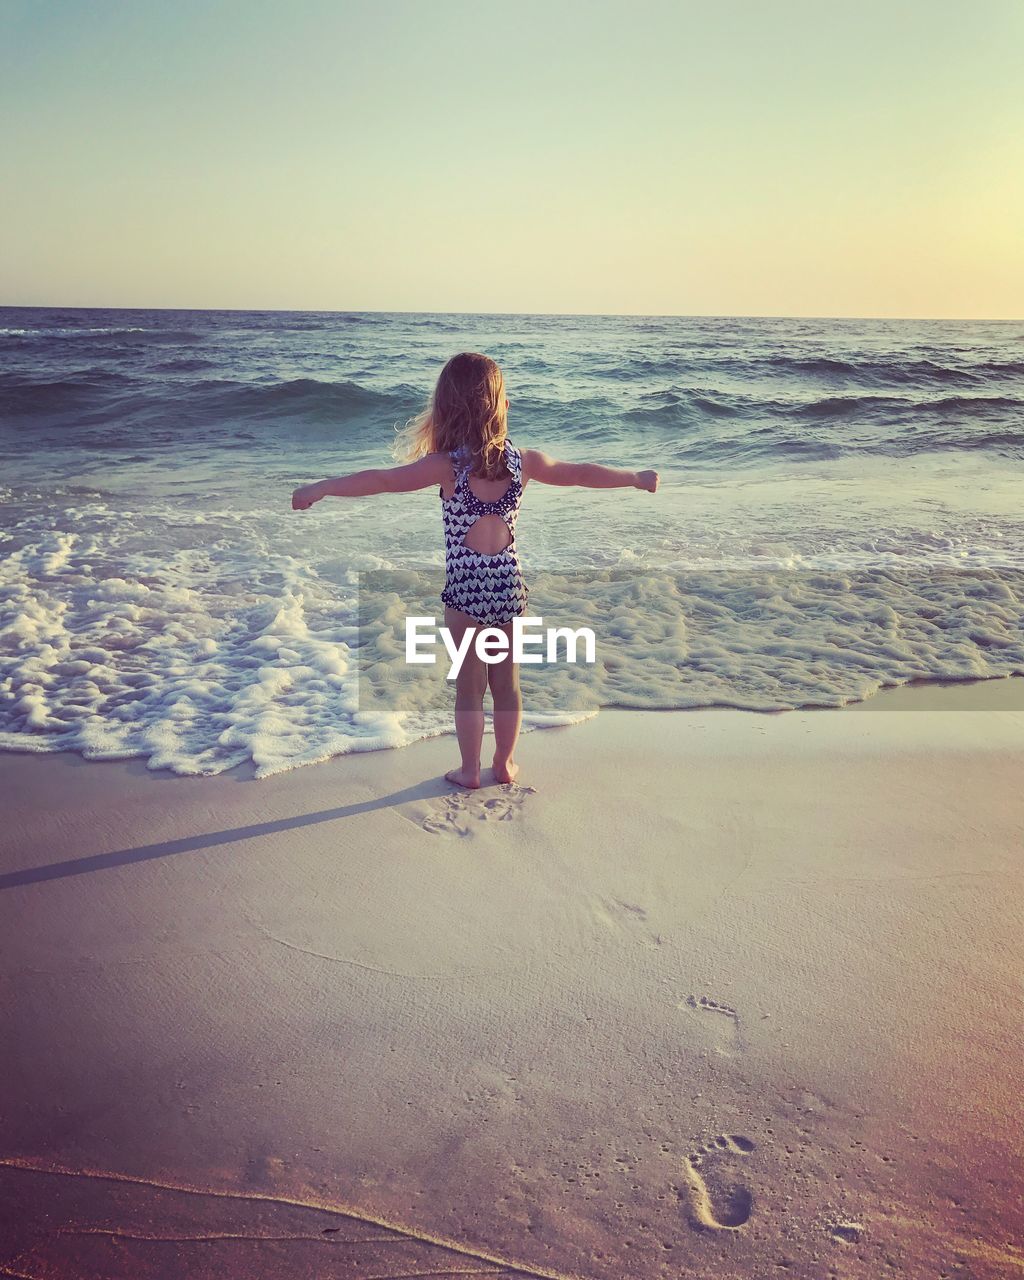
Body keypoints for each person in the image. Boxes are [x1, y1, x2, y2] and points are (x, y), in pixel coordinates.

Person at [292, 351, 658, 789]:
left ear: (446, 407)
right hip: (507, 585)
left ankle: (469, 770)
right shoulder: (525, 462)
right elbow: (581, 473)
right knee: (507, 684)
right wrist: (635, 477)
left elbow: (382, 480)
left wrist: (321, 488)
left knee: (469, 688)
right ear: (500, 404)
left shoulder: (447, 466)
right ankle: (504, 764)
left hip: (465, 588)